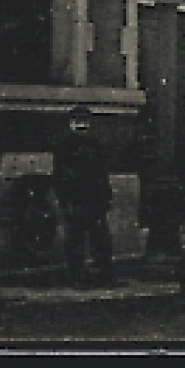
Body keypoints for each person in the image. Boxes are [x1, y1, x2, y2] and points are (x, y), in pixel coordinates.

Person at [52, 105, 114, 284]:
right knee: (75, 240)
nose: (81, 126)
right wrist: (64, 199)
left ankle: (104, 273)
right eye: (77, 122)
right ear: (71, 124)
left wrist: (106, 195)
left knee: (101, 238)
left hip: (94, 200)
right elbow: (59, 176)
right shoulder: (64, 146)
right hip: (75, 199)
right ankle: (77, 276)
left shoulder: (94, 144)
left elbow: (102, 173)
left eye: (84, 122)